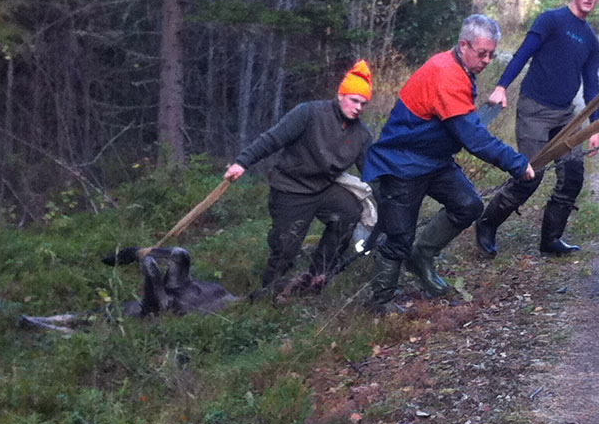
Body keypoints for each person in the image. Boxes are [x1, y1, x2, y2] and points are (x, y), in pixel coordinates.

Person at [360, 16, 534, 312]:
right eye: (482, 53)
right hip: (401, 163)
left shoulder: (460, 68)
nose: (487, 60)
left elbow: (462, 121)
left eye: (492, 54)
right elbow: (474, 139)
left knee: (467, 205)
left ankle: (422, 257)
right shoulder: (446, 73)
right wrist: (518, 164)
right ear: (463, 45)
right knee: (399, 238)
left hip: (434, 160)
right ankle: (381, 303)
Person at [473, 0, 599, 258]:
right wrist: (501, 86)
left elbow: (592, 85)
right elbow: (523, 53)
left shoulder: (591, 39)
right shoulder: (551, 20)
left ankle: (551, 239)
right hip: (534, 109)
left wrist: (595, 125)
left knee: (573, 175)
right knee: (530, 175)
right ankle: (487, 223)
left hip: (565, 116)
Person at [224, 60, 374, 296]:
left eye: (363, 104)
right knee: (285, 247)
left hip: (324, 189)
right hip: (290, 188)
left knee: (349, 213)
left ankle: (318, 276)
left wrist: (394, 193)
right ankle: (269, 295)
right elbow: (273, 139)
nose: (358, 107)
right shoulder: (309, 113)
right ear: (340, 94)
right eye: (354, 100)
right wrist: (242, 162)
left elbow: (372, 170)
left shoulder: (361, 134)